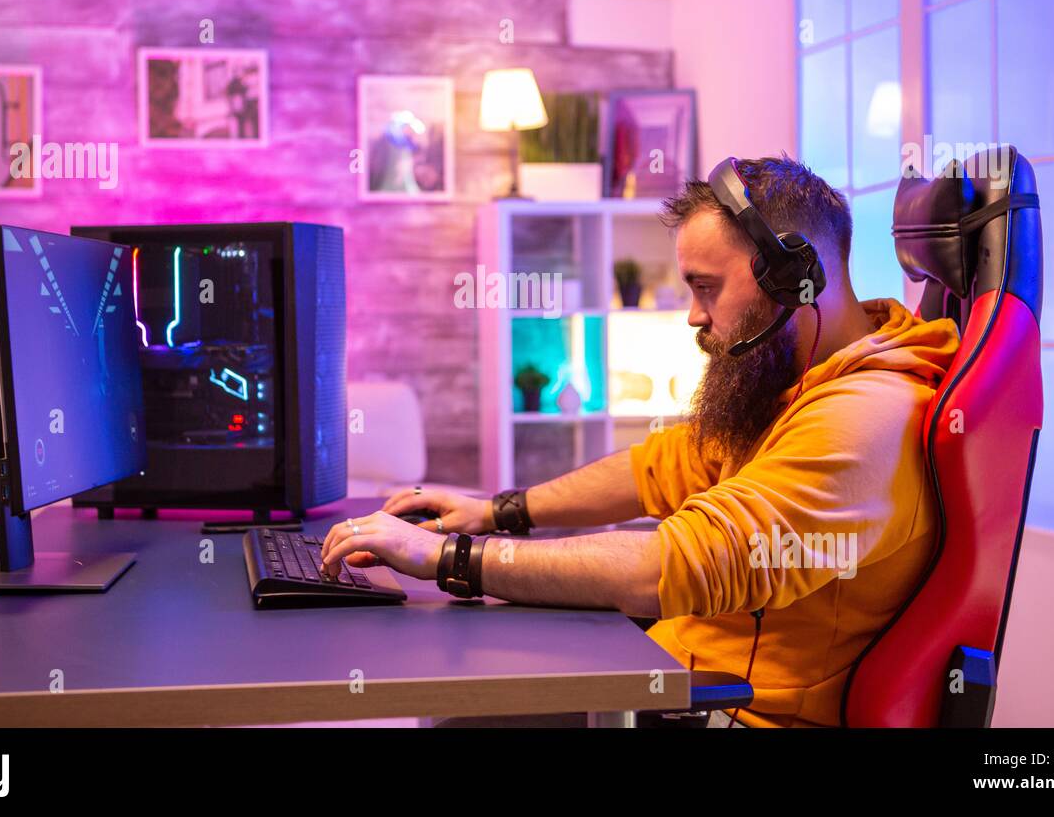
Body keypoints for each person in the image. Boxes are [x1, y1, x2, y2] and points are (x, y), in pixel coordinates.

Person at [320, 155, 960, 727]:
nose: (693, 315)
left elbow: (675, 564)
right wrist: (495, 511)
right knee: (463, 692)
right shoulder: (799, 379)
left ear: (795, 277)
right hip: (675, 672)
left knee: (468, 714)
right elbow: (662, 466)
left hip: (740, 710)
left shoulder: (867, 416)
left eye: (706, 287)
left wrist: (452, 558)